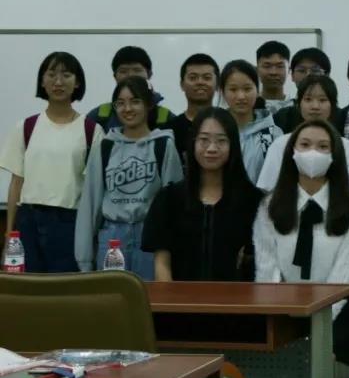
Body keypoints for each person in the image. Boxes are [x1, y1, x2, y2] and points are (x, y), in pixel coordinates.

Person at [0, 52, 103, 272]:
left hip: (70, 223)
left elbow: (93, 191)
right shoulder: (26, 127)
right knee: (28, 287)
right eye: (51, 74)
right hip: (28, 221)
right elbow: (16, 183)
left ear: (77, 82)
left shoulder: (91, 130)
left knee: (65, 288)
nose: (58, 81)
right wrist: (10, 235)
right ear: (42, 81)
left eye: (66, 75)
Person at [254, 119, 349, 318]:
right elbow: (266, 265)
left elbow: (345, 268)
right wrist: (279, 311)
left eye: (323, 146)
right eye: (305, 145)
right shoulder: (270, 204)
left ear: (334, 154)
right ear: (292, 151)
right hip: (282, 311)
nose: (313, 152)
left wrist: (322, 321)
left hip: (335, 312)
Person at [75, 76, 184, 278]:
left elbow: (175, 206)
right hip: (112, 238)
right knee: (111, 296)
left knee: (150, 296)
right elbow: (90, 203)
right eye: (120, 103)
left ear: (148, 104)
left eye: (135, 101)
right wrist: (84, 259)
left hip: (150, 239)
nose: (127, 109)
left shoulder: (163, 145)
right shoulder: (105, 147)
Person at [143, 108, 263, 281]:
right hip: (181, 296)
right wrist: (171, 296)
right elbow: (162, 264)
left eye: (221, 141)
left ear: (233, 145)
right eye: (204, 140)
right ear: (193, 143)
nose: (212, 148)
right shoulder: (169, 199)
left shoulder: (253, 201)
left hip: (238, 297)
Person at [256, 75, 349, 194]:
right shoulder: (281, 144)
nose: (315, 106)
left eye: (322, 100)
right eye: (308, 99)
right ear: (299, 104)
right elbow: (268, 189)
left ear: (332, 105)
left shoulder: (345, 145)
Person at [220, 60, 283, 183]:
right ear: (223, 92)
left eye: (247, 89)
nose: (241, 96)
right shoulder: (215, 132)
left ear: (257, 90)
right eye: (233, 89)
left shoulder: (272, 134)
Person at [92, 46, 175, 131]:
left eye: (137, 70)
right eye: (123, 71)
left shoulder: (168, 119)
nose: (130, 76)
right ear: (115, 77)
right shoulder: (98, 117)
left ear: (149, 74)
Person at [168, 53, 219, 172]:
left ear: (217, 84)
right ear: (182, 85)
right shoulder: (169, 130)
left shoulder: (228, 124)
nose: (200, 82)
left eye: (207, 78)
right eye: (193, 78)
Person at [272, 47, 334, 133]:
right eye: (301, 71)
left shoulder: (341, 116)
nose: (308, 75)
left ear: (327, 75)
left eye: (315, 70)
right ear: (292, 75)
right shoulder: (282, 117)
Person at [256, 40, 292, 114]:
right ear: (257, 70)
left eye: (280, 66)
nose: (273, 72)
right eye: (267, 66)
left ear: (288, 70)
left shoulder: (297, 106)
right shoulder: (249, 105)